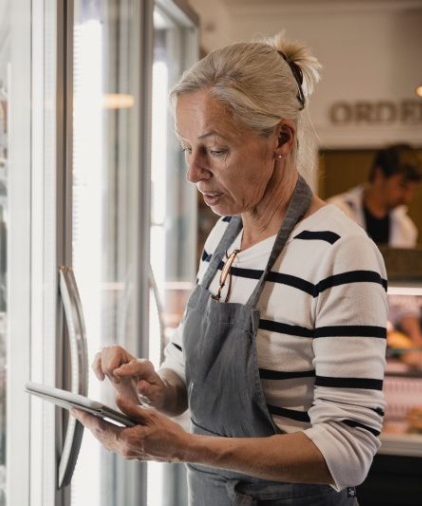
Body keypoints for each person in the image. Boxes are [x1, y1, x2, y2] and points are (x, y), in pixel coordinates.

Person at [71, 33, 388, 506]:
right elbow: (183, 380)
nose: (193, 172)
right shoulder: (224, 237)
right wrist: (152, 386)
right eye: (186, 148)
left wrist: (188, 448)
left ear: (281, 137)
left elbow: (348, 450)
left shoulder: (341, 252)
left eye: (215, 150)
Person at [327, 144, 422, 347]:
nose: (407, 198)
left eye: (412, 190)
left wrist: (416, 339)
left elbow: (403, 294)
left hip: (383, 335)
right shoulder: (336, 212)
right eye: (402, 187)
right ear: (379, 174)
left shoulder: (406, 228)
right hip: (338, 330)